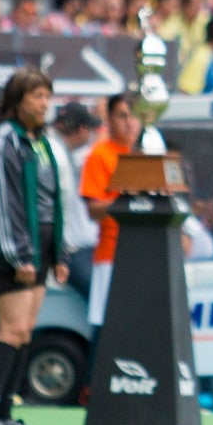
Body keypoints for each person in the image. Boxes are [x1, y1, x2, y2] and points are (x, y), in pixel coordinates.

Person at [0, 69, 69, 425]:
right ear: (17, 100)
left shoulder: (41, 141)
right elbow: (3, 203)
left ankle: (6, 415)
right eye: (36, 96)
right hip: (14, 248)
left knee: (25, 331)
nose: (44, 104)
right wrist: (17, 256)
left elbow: (52, 201)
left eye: (47, 96)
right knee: (10, 329)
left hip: (41, 245)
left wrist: (57, 251)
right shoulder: (2, 140)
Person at [80, 94, 139, 335]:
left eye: (133, 116)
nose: (129, 122)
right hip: (111, 253)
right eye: (122, 115)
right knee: (108, 331)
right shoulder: (100, 154)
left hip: (143, 251)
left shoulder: (142, 153)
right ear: (110, 119)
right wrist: (123, 198)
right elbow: (93, 210)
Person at [47, 102, 101, 301]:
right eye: (90, 130)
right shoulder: (63, 153)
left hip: (77, 250)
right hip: (72, 253)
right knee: (103, 301)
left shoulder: (61, 151)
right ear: (81, 130)